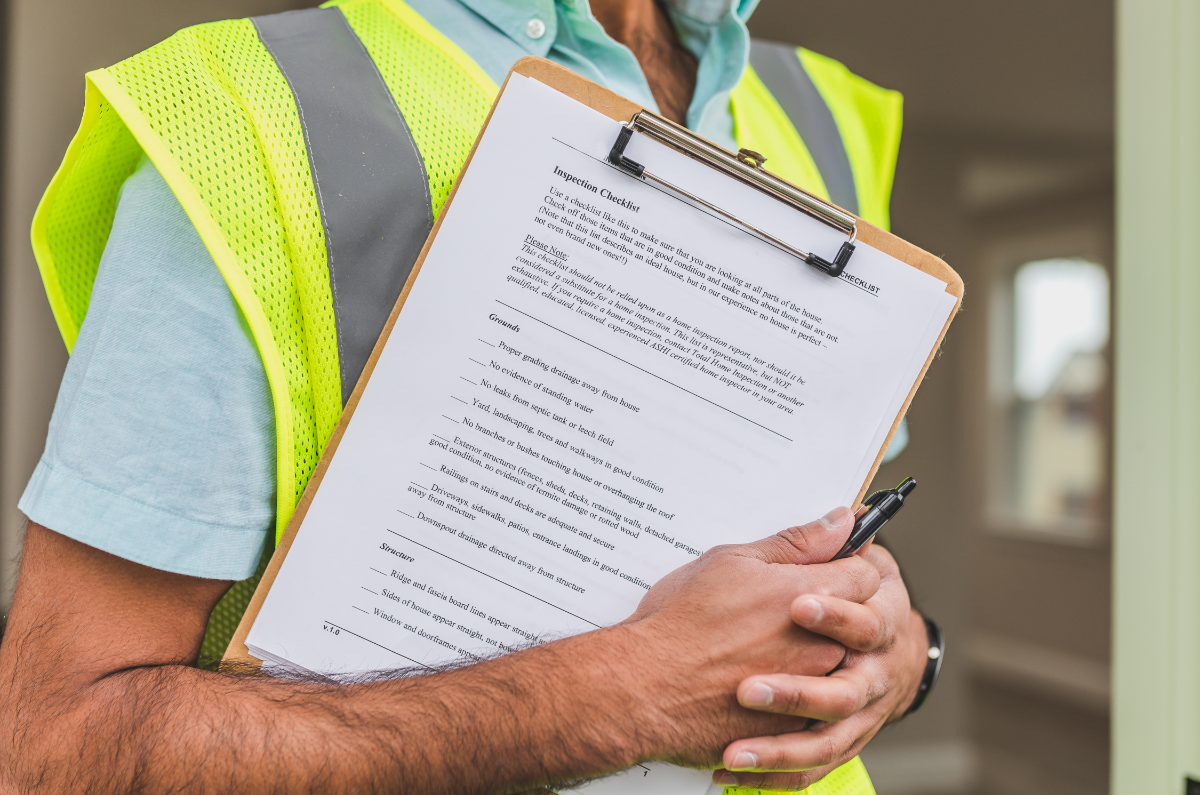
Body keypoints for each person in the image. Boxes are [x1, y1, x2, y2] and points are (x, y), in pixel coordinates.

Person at [0, 0, 935, 791]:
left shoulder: (820, 111)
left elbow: (818, 542)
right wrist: (625, 693)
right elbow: (55, 745)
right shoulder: (249, 116)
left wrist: (901, 657)